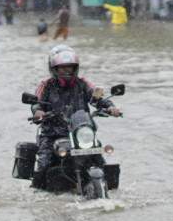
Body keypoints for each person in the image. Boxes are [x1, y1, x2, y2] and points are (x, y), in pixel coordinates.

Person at [29, 46, 119, 190]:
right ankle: (37, 193)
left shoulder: (83, 83)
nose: (66, 71)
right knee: (44, 164)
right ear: (54, 69)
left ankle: (106, 188)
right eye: (62, 68)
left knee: (99, 155)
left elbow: (98, 97)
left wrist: (110, 107)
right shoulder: (46, 85)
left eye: (69, 68)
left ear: (75, 68)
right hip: (52, 134)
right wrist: (38, 111)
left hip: (80, 134)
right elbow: (36, 102)